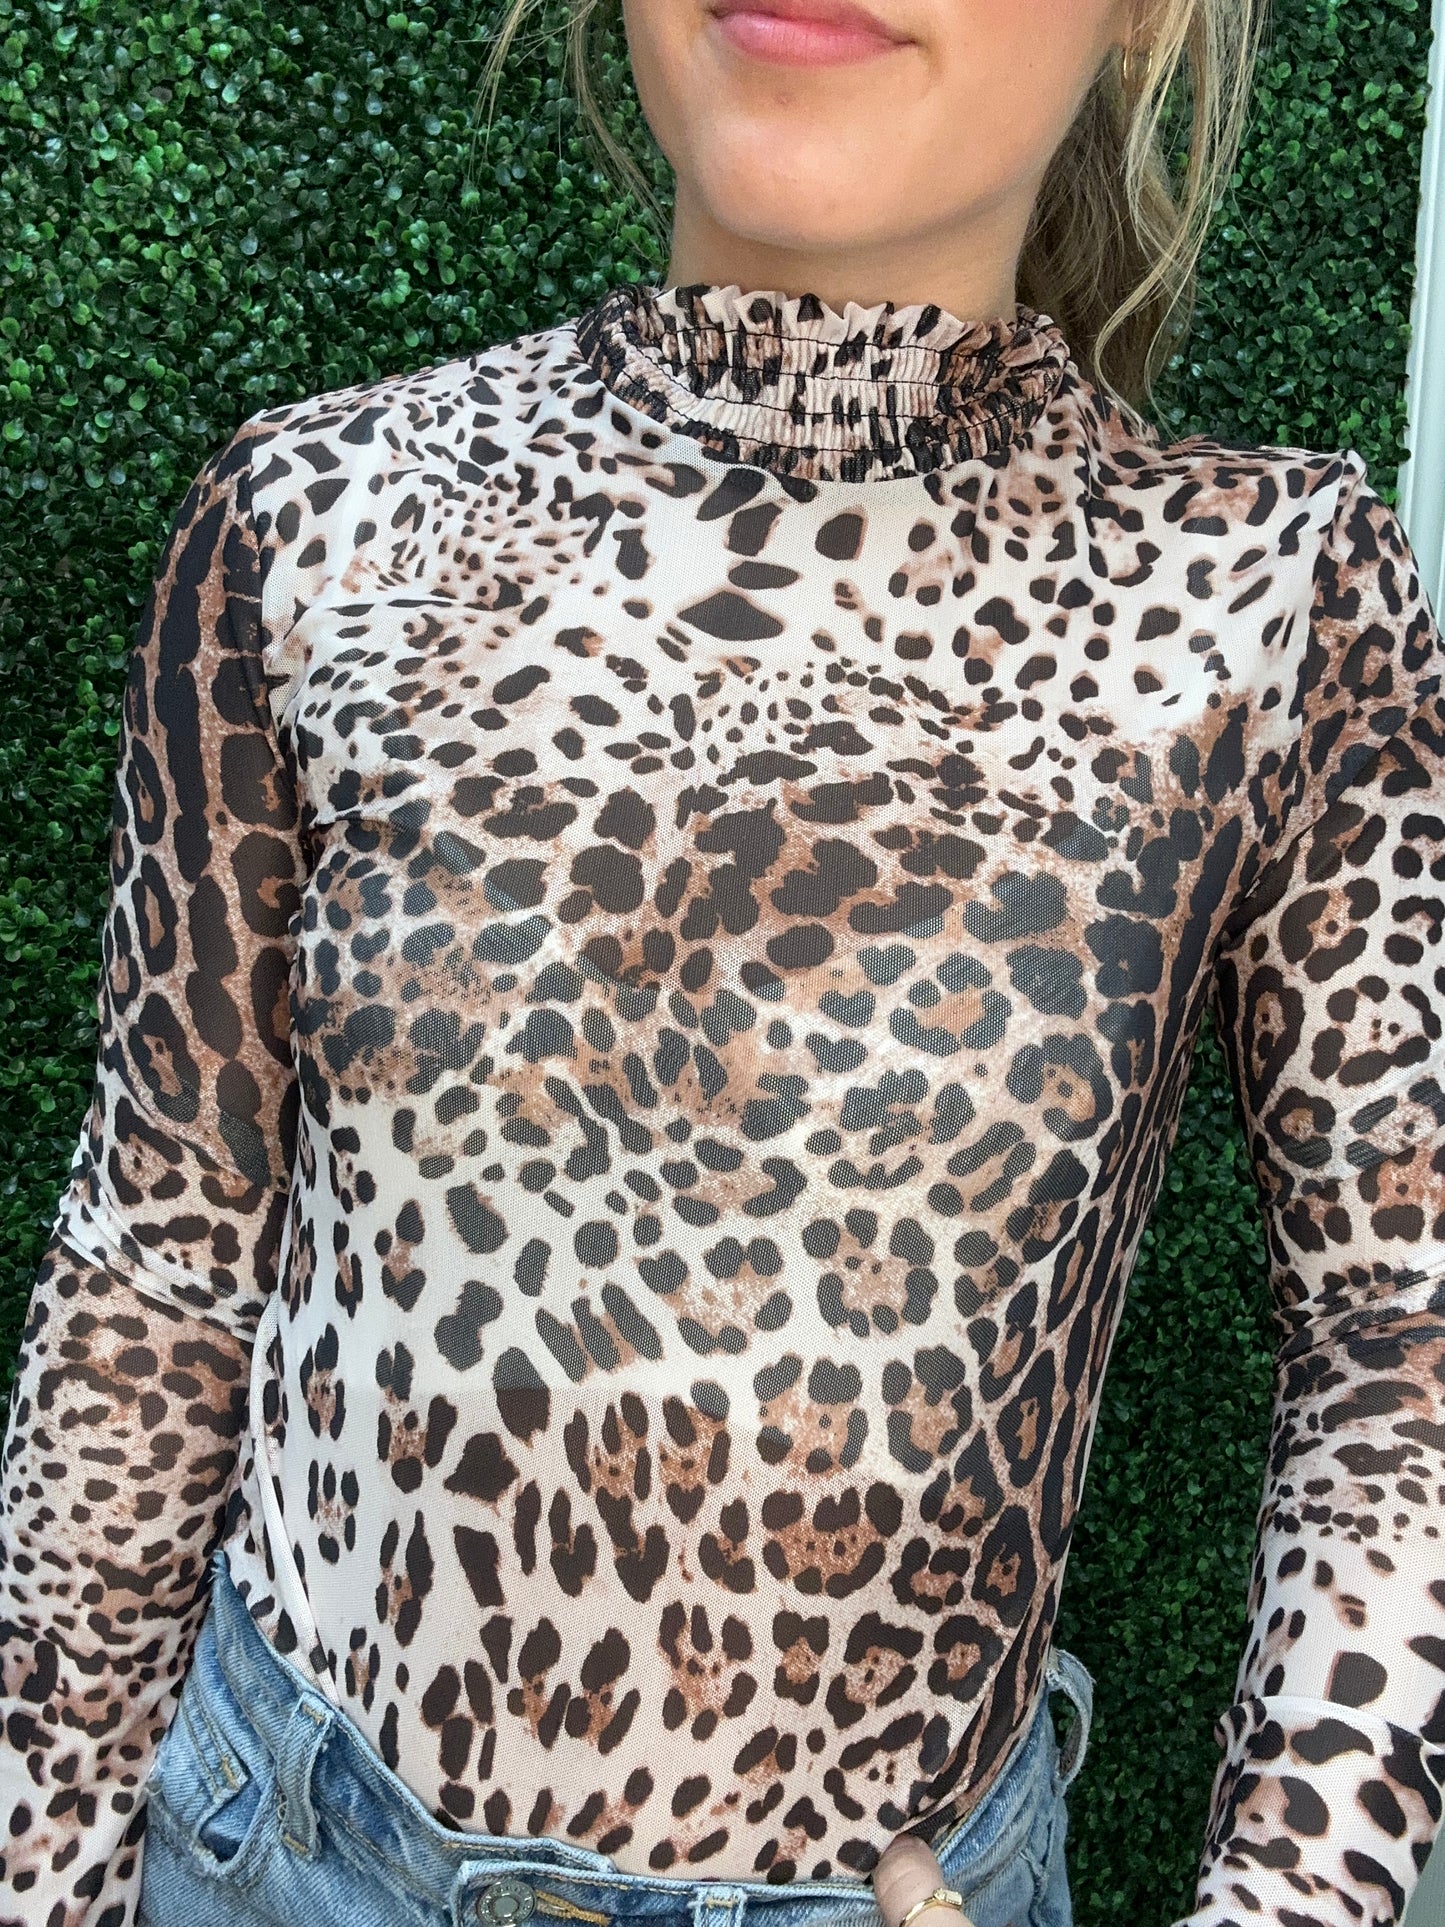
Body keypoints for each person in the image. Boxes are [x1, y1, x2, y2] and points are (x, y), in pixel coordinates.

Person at [3, 0, 1444, 1922]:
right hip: (283, 1856)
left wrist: (1287, 1902)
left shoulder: (1270, 603)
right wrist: (43, 1872)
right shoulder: (316, 520)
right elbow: (156, 1263)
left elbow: (1397, 1338)